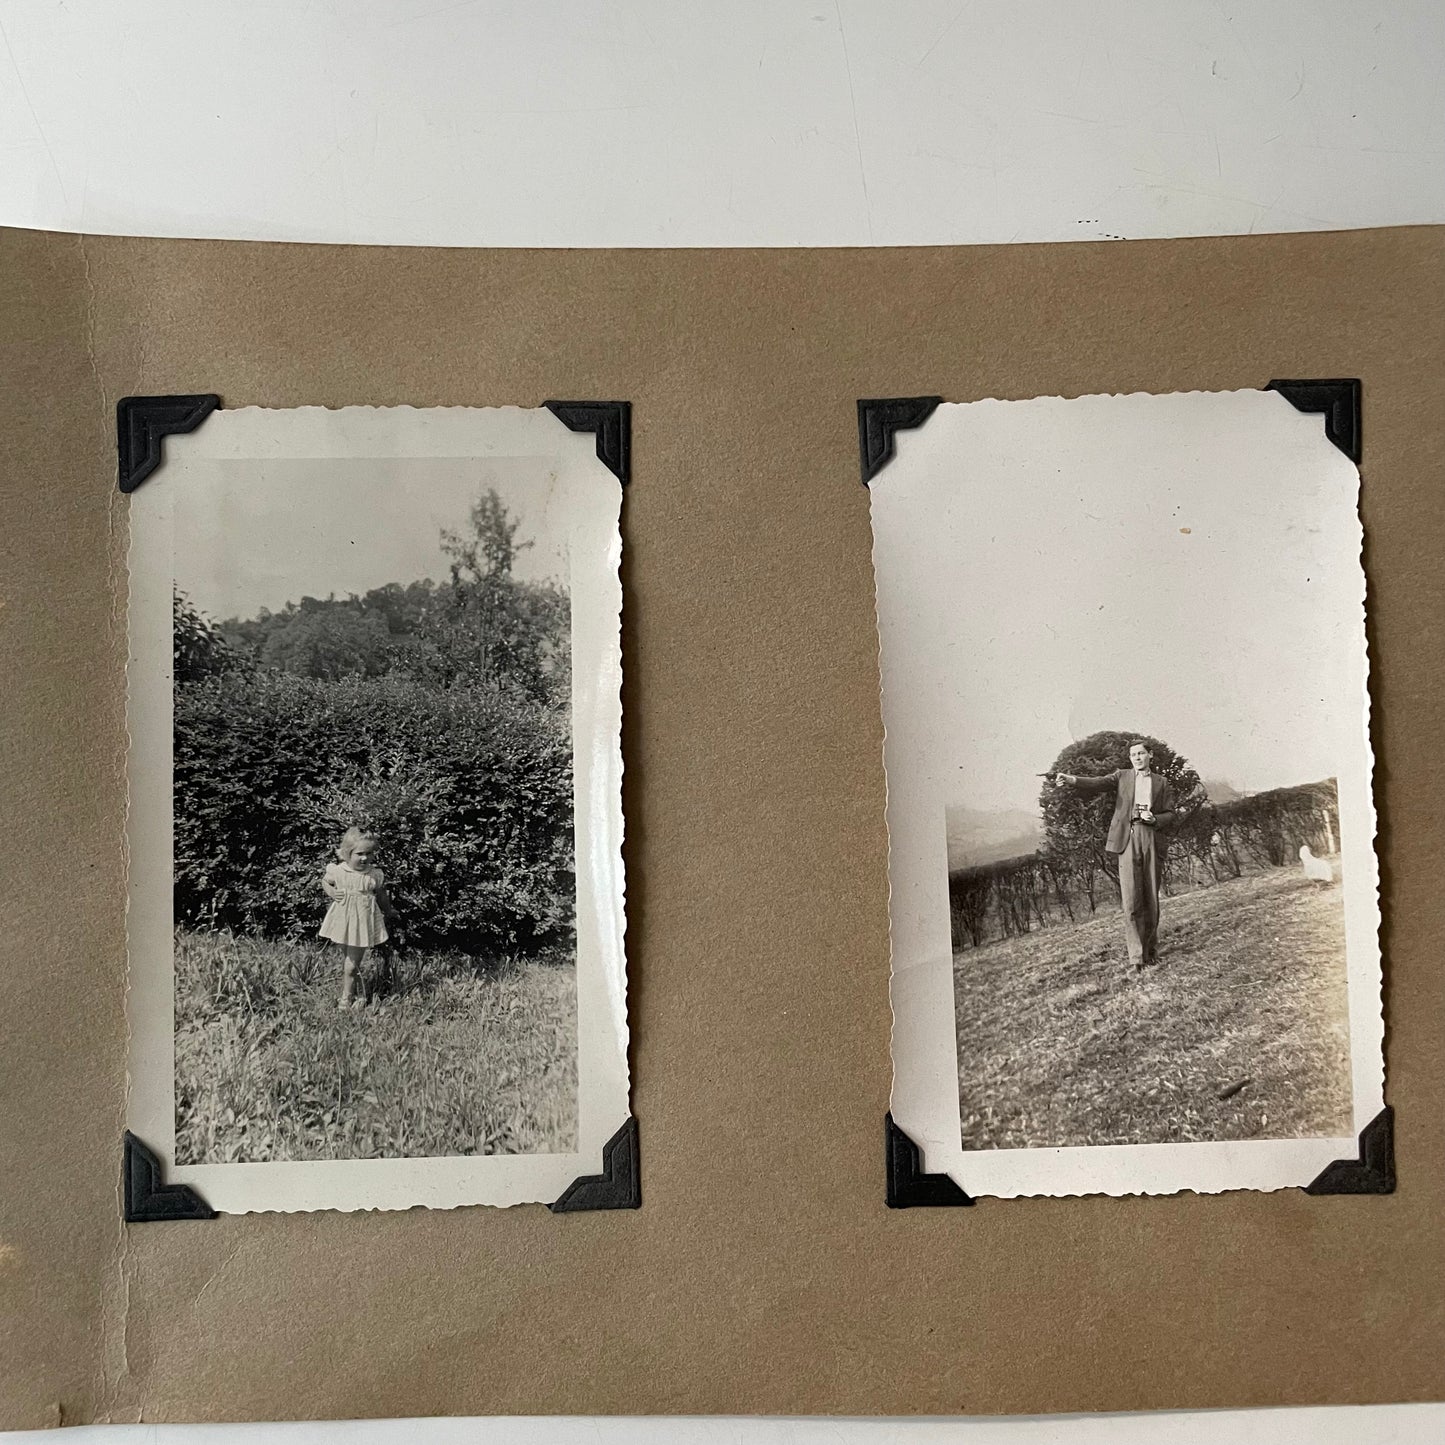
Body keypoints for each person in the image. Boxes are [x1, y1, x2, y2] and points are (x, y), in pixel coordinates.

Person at [1055, 741, 1177, 969]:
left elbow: (1171, 813)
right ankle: (1136, 959)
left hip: (1151, 837)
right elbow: (1097, 783)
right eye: (1133, 755)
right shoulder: (1122, 776)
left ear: (1150, 755)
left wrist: (1156, 819)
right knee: (1131, 900)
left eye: (1141, 753)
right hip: (1127, 839)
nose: (1137, 758)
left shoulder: (1162, 782)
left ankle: (1151, 953)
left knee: (1151, 898)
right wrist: (1071, 779)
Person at [319, 826, 399, 1009]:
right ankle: (359, 992)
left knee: (352, 964)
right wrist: (332, 892)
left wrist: (388, 911)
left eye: (369, 853)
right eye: (360, 853)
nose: (365, 858)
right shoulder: (339, 871)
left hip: (362, 921)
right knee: (349, 959)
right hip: (342, 919)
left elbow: (381, 896)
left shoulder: (374, 875)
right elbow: (325, 881)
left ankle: (346, 998)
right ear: (347, 853)